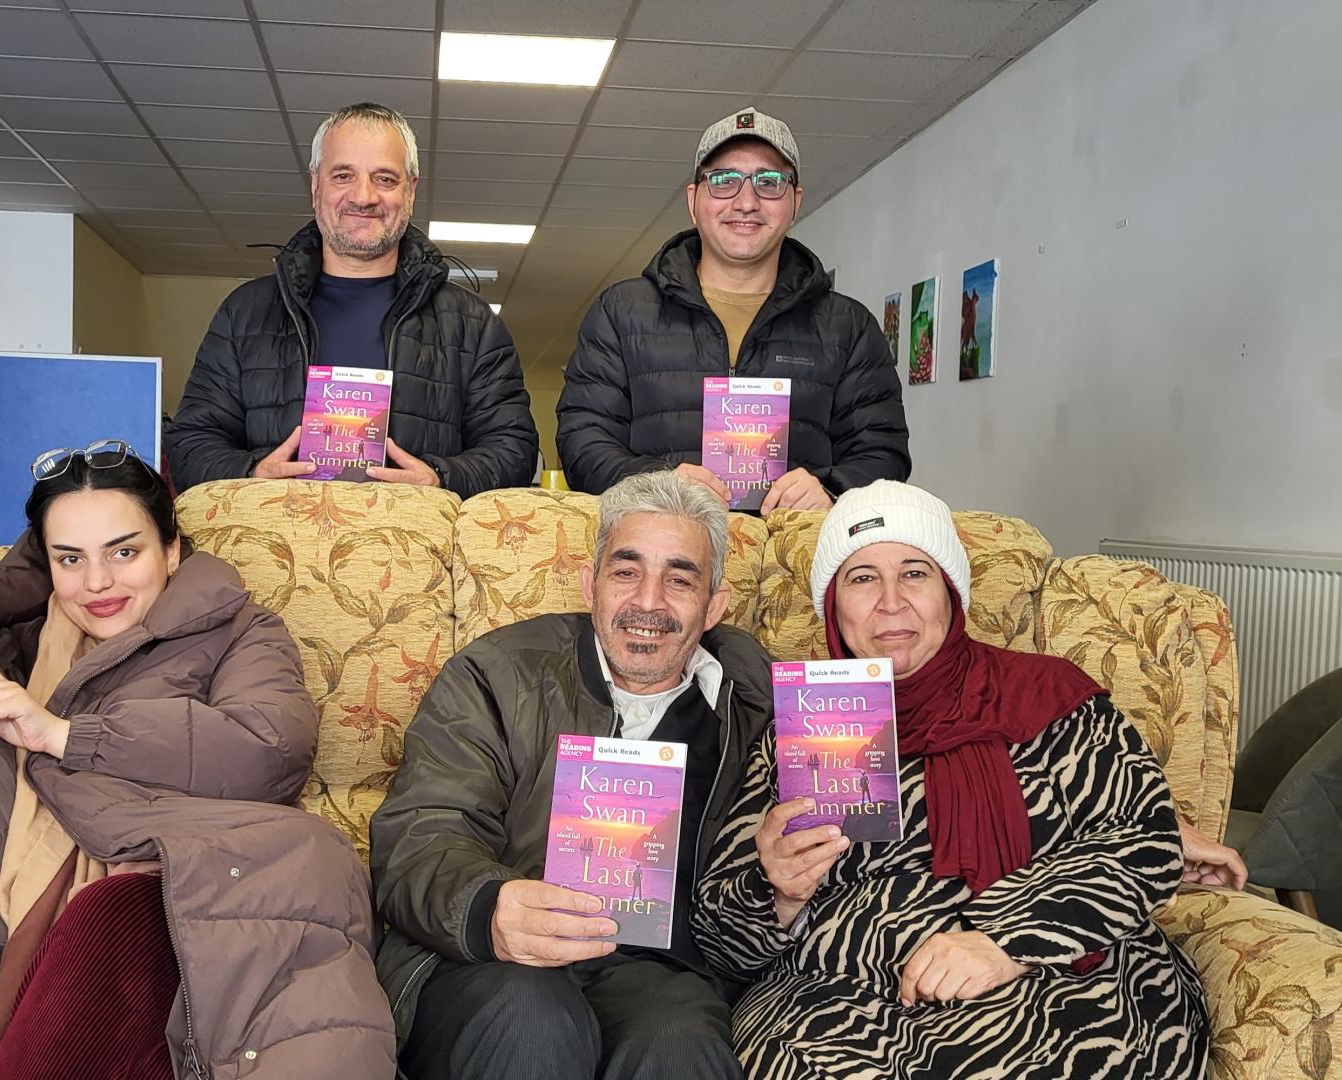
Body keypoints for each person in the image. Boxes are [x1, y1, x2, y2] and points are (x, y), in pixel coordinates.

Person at [0, 439, 394, 1079]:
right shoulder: (19, 656)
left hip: (194, 880)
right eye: (71, 559)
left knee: (101, 926)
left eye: (124, 552)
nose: (97, 583)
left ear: (172, 550)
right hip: (42, 919)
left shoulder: (240, 629)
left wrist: (64, 736)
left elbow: (268, 750)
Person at [691, 480, 1209, 1078]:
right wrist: (777, 890)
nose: (890, 602)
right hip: (837, 1001)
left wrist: (1003, 940)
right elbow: (721, 939)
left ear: (951, 593)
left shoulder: (1046, 696)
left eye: (914, 573)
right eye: (861, 578)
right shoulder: (796, 729)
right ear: (833, 606)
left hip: (1062, 977)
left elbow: (1145, 838)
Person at [370, 470, 774, 1079]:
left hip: (651, 966)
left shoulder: (754, 698)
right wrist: (489, 908)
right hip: (487, 956)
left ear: (714, 606)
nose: (648, 602)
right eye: (626, 570)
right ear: (590, 584)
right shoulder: (497, 673)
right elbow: (420, 830)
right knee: (531, 1013)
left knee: (680, 1037)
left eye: (680, 579)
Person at [165, 102, 538, 498]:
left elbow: (514, 448)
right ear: (315, 186)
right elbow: (189, 443)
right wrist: (254, 474)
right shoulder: (245, 313)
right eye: (343, 175)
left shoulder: (472, 324)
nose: (363, 196)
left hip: (413, 552)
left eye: (385, 179)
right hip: (273, 553)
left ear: (410, 191)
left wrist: (440, 479)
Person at [555, 107, 909, 513]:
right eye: (723, 181)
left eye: (769, 182)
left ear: (795, 202)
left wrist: (831, 489)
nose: (746, 202)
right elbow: (582, 441)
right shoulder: (621, 313)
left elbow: (885, 451)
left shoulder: (849, 328)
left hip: (796, 558)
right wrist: (660, 482)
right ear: (693, 201)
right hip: (665, 553)